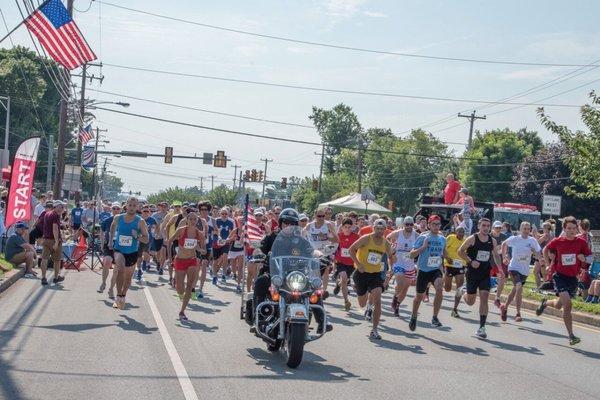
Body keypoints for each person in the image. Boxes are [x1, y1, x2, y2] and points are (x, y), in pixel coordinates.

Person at [536, 216, 592, 345]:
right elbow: (545, 249)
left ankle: (545, 303)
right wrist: (548, 264)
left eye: (574, 228)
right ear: (564, 229)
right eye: (569, 228)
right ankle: (571, 336)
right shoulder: (558, 241)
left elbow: (590, 258)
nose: (572, 230)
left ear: (577, 228)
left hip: (573, 279)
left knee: (559, 305)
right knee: (568, 304)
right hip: (559, 276)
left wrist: (583, 258)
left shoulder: (581, 242)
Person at [349, 219, 394, 340]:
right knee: (362, 303)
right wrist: (358, 264)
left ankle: (374, 329)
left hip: (375, 274)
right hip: (361, 273)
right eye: (377, 228)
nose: (379, 231)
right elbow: (351, 249)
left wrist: (391, 270)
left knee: (378, 299)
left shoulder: (385, 243)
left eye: (382, 229)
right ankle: (357, 288)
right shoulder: (366, 238)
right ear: (373, 228)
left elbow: (391, 256)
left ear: (385, 230)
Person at [458, 218, 501, 339]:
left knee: (484, 298)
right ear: (479, 226)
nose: (486, 228)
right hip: (472, 273)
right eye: (484, 226)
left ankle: (482, 327)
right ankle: (464, 291)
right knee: (470, 302)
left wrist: (500, 269)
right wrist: (470, 261)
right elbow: (460, 251)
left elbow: (496, 255)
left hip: (485, 274)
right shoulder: (472, 238)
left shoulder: (492, 241)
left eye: (488, 226)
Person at [108, 197, 149, 310]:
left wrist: (137, 236)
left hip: (132, 252)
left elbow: (146, 239)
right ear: (126, 206)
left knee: (128, 277)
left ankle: (123, 295)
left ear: (137, 207)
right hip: (119, 249)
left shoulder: (140, 221)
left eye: (134, 205)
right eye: (130, 205)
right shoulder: (118, 218)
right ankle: (118, 296)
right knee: (120, 268)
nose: (131, 207)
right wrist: (111, 240)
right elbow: (112, 227)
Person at [408, 215, 446, 331]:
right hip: (424, 270)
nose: (436, 226)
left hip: (436, 270)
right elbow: (411, 254)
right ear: (429, 225)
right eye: (434, 224)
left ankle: (435, 317)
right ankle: (414, 316)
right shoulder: (423, 237)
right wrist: (423, 247)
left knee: (439, 288)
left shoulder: (442, 239)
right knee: (419, 296)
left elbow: (443, 253)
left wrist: (451, 260)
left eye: (438, 224)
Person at [500, 222, 541, 322]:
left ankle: (504, 307)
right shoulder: (515, 239)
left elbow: (538, 255)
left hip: (525, 271)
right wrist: (505, 256)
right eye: (524, 229)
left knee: (515, 290)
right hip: (513, 267)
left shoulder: (533, 241)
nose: (527, 231)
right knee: (518, 287)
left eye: (528, 229)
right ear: (520, 229)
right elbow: (504, 244)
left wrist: (534, 252)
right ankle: (518, 313)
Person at [169, 212, 205, 320]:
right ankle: (181, 295)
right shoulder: (181, 230)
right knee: (180, 288)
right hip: (180, 260)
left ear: (197, 221)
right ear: (187, 220)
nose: (193, 221)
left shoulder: (199, 233)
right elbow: (170, 241)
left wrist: (202, 250)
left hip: (192, 261)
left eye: (195, 219)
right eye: (191, 219)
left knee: (189, 286)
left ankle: (182, 311)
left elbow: (201, 248)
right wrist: (169, 257)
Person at [387, 216, 418, 316]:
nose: (409, 226)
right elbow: (387, 238)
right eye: (407, 224)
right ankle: (395, 297)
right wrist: (392, 248)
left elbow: (423, 244)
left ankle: (397, 306)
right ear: (403, 224)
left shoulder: (416, 235)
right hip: (398, 261)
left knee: (405, 289)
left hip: (409, 263)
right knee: (400, 283)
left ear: (413, 225)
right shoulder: (398, 233)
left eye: (411, 224)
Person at [305, 208, 339, 297]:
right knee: (314, 271)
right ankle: (314, 287)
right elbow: (301, 234)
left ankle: (323, 291)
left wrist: (326, 237)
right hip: (313, 252)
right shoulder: (310, 225)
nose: (321, 218)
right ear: (315, 216)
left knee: (326, 270)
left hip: (325, 252)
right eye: (319, 216)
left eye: (323, 216)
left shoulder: (328, 225)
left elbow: (336, 239)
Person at [333, 217, 360, 310]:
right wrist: (333, 262)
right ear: (342, 227)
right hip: (341, 262)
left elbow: (362, 248)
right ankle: (346, 301)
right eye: (345, 227)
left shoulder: (356, 237)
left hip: (352, 263)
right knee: (344, 278)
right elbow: (334, 249)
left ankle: (338, 284)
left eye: (349, 227)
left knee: (345, 280)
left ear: (352, 227)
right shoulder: (338, 236)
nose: (347, 229)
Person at [40, 201, 66, 286]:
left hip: (46, 239)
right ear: (57, 207)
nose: (63, 209)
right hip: (53, 240)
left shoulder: (47, 213)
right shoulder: (56, 215)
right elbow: (55, 228)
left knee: (44, 259)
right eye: (62, 207)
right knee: (57, 260)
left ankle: (43, 277)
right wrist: (57, 241)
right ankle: (56, 277)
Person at [443, 226, 467, 318]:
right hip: (449, 265)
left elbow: (467, 253)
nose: (461, 233)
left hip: (460, 266)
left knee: (459, 288)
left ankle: (455, 309)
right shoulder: (450, 238)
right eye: (459, 231)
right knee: (447, 288)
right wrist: (447, 258)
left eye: (463, 231)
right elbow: (443, 248)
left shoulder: (465, 241)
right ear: (455, 232)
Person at [99, 202, 121, 297]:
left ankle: (111, 289)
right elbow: (101, 231)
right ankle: (103, 283)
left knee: (116, 269)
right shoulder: (107, 220)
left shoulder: (124, 220)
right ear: (111, 210)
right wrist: (102, 242)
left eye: (117, 209)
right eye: (114, 208)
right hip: (109, 245)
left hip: (120, 246)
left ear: (120, 210)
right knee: (107, 262)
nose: (115, 210)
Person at [212, 207, 235, 285]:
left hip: (226, 243)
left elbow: (232, 233)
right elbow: (214, 232)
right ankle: (215, 276)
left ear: (228, 214)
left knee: (225, 256)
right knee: (215, 261)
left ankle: (224, 275)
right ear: (220, 214)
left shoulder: (231, 222)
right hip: (217, 242)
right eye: (222, 213)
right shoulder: (216, 221)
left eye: (226, 214)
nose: (224, 215)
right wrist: (218, 237)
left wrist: (229, 239)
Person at [490, 220, 509, 308]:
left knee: (502, 278)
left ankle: (497, 298)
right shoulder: (488, 236)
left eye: (499, 228)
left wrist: (506, 256)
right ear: (493, 228)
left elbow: (505, 249)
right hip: (489, 261)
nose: (498, 229)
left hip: (499, 262)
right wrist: (495, 249)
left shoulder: (504, 236)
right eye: (496, 228)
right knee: (485, 279)